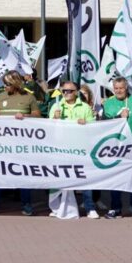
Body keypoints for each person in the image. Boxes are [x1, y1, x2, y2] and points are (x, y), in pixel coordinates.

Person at [0, 71, 42, 215]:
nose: (5, 87)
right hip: (2, 143)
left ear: (15, 83)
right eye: (4, 84)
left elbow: (38, 116)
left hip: (21, 144)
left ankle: (26, 205)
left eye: (7, 84)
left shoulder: (29, 97)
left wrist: (25, 116)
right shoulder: (0, 97)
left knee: (23, 174)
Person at [98, 77, 132, 220]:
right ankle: (115, 207)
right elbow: (103, 124)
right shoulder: (108, 103)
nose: (119, 91)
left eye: (121, 88)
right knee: (116, 178)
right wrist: (118, 116)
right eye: (116, 88)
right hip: (115, 147)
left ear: (126, 88)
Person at [48, 79, 95, 219]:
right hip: (60, 148)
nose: (66, 93)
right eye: (64, 91)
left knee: (85, 178)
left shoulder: (85, 108)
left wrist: (86, 123)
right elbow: (47, 128)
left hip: (80, 148)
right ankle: (57, 207)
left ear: (76, 92)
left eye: (70, 91)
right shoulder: (56, 106)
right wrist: (54, 119)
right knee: (59, 178)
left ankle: (89, 208)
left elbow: (94, 127)